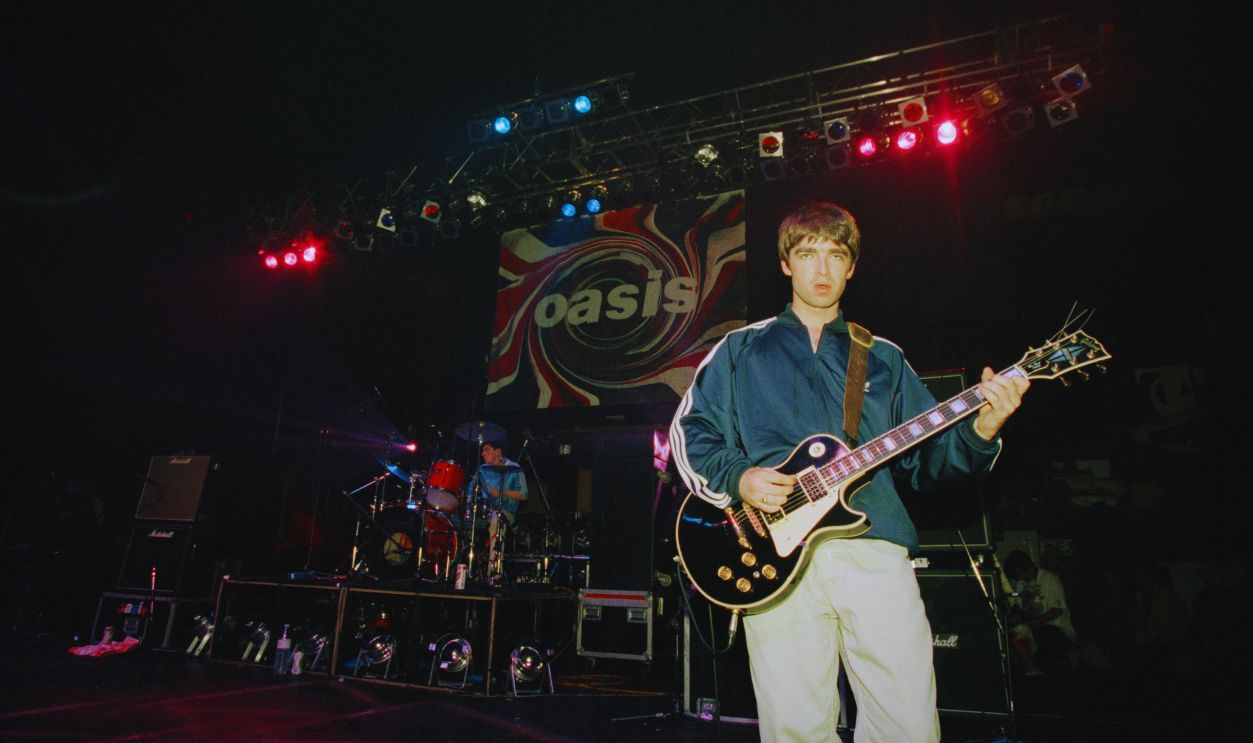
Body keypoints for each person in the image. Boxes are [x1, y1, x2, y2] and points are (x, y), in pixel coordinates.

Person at [670, 201, 1029, 742]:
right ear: (785, 264)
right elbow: (690, 432)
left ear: (852, 267)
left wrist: (983, 429)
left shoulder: (882, 357)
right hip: (775, 560)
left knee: (906, 720)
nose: (821, 270)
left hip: (875, 547)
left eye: (835, 256)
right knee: (794, 726)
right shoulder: (740, 350)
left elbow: (927, 462)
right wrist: (739, 477)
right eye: (807, 255)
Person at [1004, 549, 1077, 675]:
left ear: (1027, 568)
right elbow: (1021, 607)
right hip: (1036, 628)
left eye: (1021, 574)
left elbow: (1056, 611)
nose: (1020, 578)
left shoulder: (1048, 579)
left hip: (1057, 628)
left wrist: (1030, 624)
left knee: (1043, 635)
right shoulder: (1021, 584)